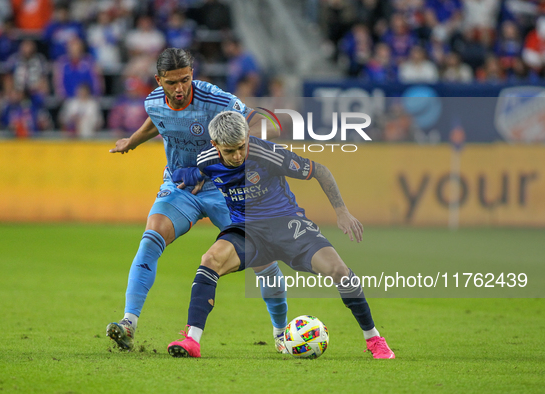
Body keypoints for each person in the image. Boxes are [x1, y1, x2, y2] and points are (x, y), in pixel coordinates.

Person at [166, 111, 395, 359]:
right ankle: (192, 340)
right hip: (247, 231)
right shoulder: (207, 160)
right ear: (215, 145)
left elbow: (320, 170)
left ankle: (374, 340)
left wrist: (342, 212)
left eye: (242, 147)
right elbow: (195, 173)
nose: (238, 155)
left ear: (247, 137)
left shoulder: (267, 154)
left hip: (288, 225)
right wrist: (187, 180)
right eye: (230, 151)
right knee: (209, 260)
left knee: (339, 271)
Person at [106, 48, 289, 353]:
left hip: (225, 188)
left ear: (192, 74)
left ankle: (282, 333)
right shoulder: (153, 101)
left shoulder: (216, 100)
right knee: (151, 238)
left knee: (263, 259)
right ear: (158, 80)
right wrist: (132, 142)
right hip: (180, 186)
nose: (179, 89)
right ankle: (128, 324)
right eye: (171, 83)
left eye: (185, 80)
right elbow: (158, 120)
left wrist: (214, 165)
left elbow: (260, 124)